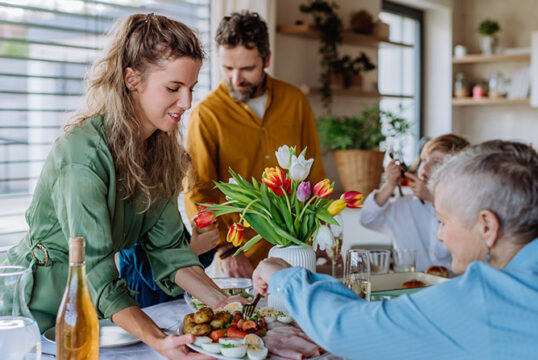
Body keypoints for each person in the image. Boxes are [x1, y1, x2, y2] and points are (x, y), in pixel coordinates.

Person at [3, 13, 239, 359]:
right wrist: (160, 341)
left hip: (89, 316)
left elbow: (171, 252)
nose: (187, 102)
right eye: (174, 88)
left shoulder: (159, 152)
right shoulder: (82, 153)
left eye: (191, 88)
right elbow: (93, 271)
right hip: (29, 314)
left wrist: (225, 303)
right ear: (132, 79)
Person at [253, 140, 538, 359]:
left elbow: (348, 329)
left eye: (443, 221)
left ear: (487, 226)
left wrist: (284, 276)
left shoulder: (484, 299)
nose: (440, 235)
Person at [184, 11, 325, 278]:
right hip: (238, 258)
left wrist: (320, 236)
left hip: (296, 250)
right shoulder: (206, 115)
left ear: (266, 59)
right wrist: (225, 250)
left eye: (247, 69)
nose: (236, 79)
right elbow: (198, 191)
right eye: (228, 68)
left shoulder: (295, 101)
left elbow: (314, 172)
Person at [359, 134, 470, 271]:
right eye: (424, 160)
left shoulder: (465, 209)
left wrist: (433, 199)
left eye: (436, 162)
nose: (425, 167)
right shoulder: (403, 204)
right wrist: (389, 185)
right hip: (409, 285)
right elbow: (367, 219)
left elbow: (451, 251)